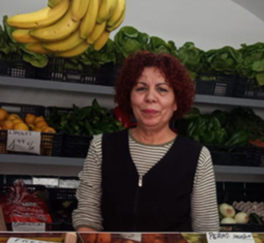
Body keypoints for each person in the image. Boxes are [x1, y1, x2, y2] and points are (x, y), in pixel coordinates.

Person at [73, 51, 219, 232]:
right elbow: (87, 217)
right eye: (141, 88)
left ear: (176, 102)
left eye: (162, 89)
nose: (150, 97)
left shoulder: (197, 156)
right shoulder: (101, 147)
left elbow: (206, 230)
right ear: (129, 97)